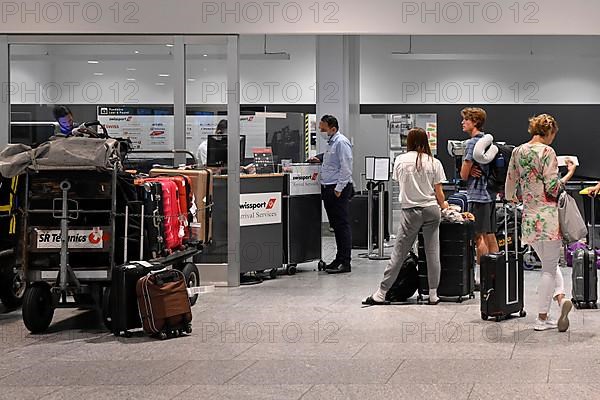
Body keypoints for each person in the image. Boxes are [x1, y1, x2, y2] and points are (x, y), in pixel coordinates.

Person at [505, 113, 576, 332]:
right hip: (548, 218)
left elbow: (510, 183)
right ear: (550, 132)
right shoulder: (548, 152)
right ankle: (542, 318)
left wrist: (514, 196)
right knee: (549, 267)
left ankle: (560, 298)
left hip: (529, 217)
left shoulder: (518, 151)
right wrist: (569, 173)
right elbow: (553, 188)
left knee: (549, 264)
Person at [363, 128, 448, 305]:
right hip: (432, 210)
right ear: (425, 141)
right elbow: (439, 193)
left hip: (411, 212)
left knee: (399, 253)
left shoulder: (401, 160)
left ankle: (381, 293)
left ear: (408, 141)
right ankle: (433, 295)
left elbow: (400, 183)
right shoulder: (434, 162)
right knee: (433, 253)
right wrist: (446, 206)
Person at [308, 115, 353, 274]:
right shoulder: (331, 143)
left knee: (342, 225)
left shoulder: (341, 142)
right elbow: (330, 159)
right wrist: (318, 158)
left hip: (337, 189)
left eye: (323, 129)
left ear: (333, 128)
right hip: (329, 188)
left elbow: (346, 168)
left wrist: (339, 188)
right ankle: (338, 259)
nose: (320, 131)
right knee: (336, 226)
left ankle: (345, 262)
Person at [459, 107, 499, 288]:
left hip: (477, 196)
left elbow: (463, 174)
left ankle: (482, 278)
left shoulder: (471, 144)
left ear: (474, 122)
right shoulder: (488, 142)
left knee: (478, 237)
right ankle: (495, 275)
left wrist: (466, 170)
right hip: (490, 195)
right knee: (490, 235)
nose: (462, 122)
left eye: (466, 120)